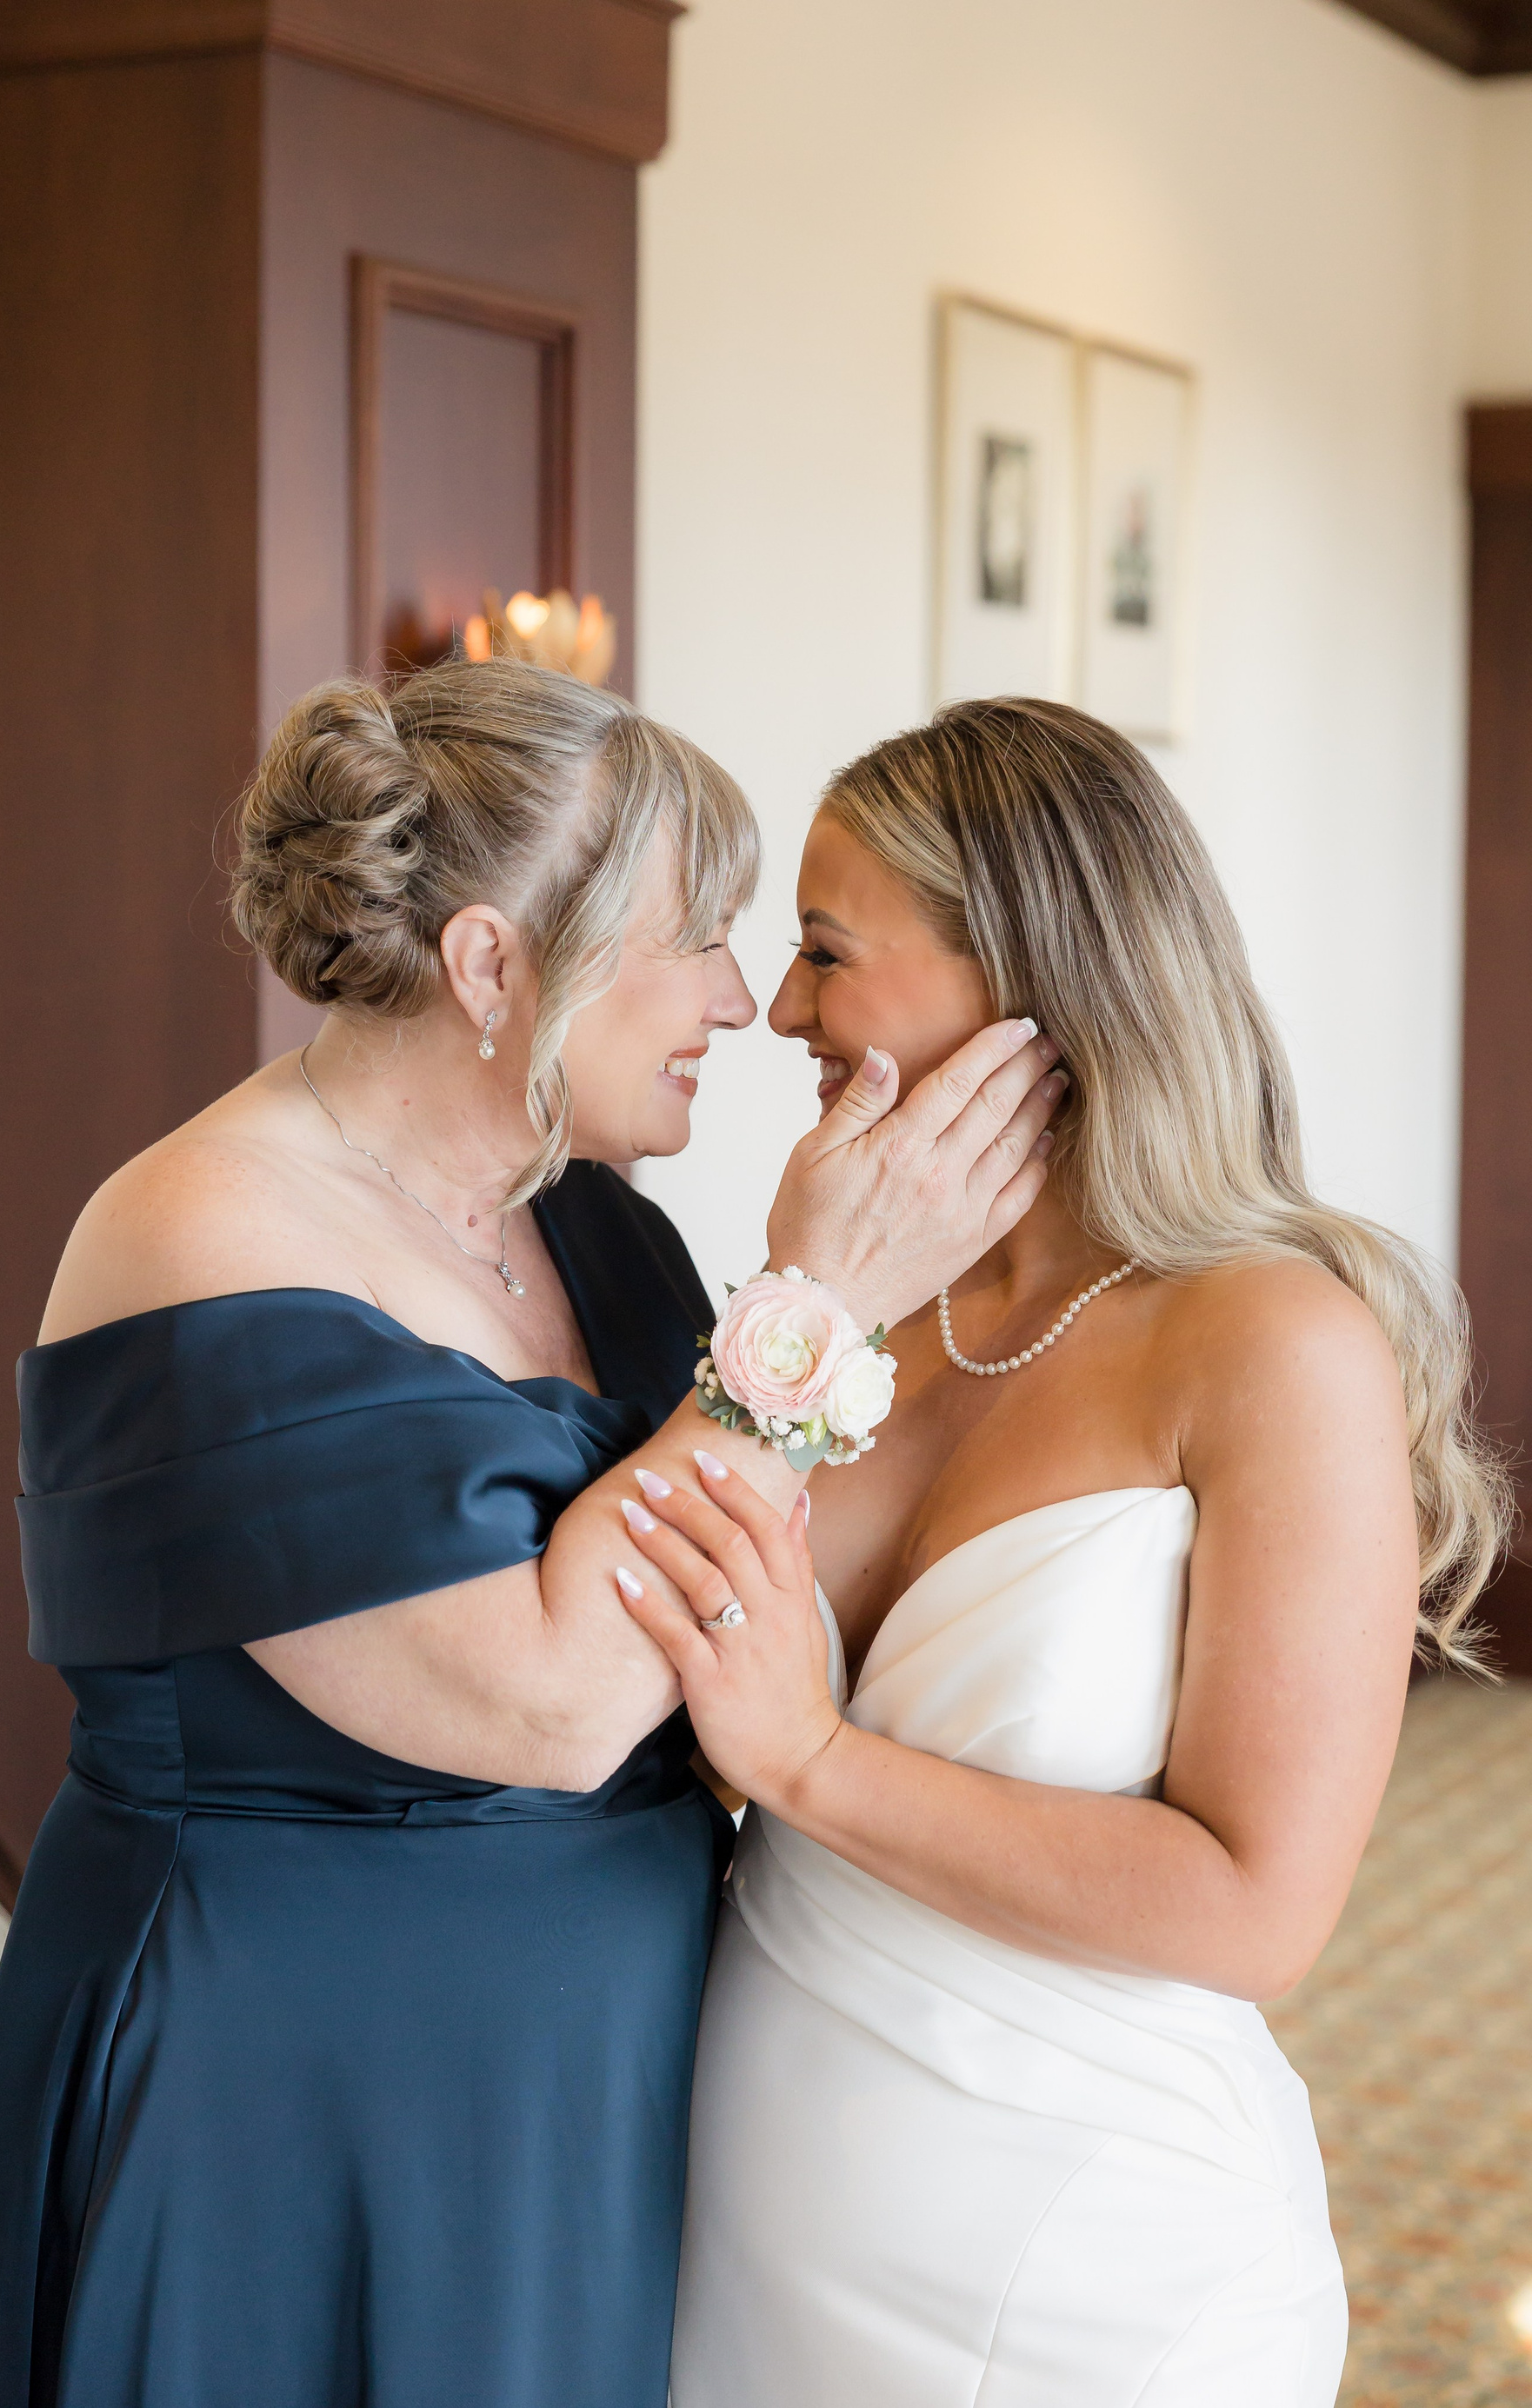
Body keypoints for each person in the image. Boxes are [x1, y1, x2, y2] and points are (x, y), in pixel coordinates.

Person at [0, 661, 1062, 2408]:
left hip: (579, 2094)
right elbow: (556, 1703)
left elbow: (744, 1593)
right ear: (490, 963)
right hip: (280, 2101)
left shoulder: (600, 1230)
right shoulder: (200, 1236)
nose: (741, 998)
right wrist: (821, 1291)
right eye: (696, 938)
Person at [616, 697, 1512, 2408]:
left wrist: (811, 1760)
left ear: (1025, 971)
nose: (783, 1007)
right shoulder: (869, 1312)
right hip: (754, 2241)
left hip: (1090, 2274)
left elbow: (1256, 1907)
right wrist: (804, 1294)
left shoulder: (1273, 1343)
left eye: (825, 951)